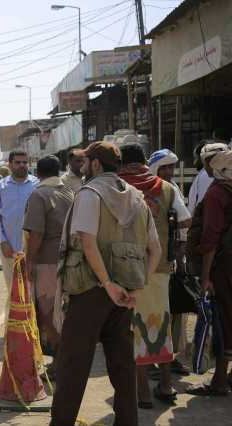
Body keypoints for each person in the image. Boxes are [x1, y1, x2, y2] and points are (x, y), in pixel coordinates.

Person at [51, 141, 161, 426]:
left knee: (72, 365)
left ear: (96, 164)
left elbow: (87, 242)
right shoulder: (137, 197)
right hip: (124, 295)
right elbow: (156, 250)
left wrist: (108, 284)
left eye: (86, 161)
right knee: (122, 365)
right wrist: (138, 287)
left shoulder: (91, 193)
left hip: (91, 291)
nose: (83, 166)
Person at [118, 144, 191, 408]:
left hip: (123, 270)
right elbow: (184, 220)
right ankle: (165, 384)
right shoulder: (166, 188)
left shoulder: (115, 186)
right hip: (158, 267)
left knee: (131, 329)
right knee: (159, 324)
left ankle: (142, 393)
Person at [23, 155, 74, 375]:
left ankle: (58, 364)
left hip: (46, 262)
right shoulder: (69, 193)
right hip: (69, 260)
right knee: (60, 314)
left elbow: (36, 233)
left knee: (46, 315)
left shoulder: (39, 194)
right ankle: (61, 361)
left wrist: (29, 261)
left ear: (38, 173)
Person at [187, 150, 232, 397]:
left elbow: (211, 238)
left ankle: (219, 380)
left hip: (222, 267)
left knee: (224, 321)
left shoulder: (217, 194)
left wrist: (205, 276)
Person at [148, 148, 193, 377]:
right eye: (165, 167)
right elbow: (186, 221)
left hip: (169, 258)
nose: (170, 171)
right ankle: (154, 360)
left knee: (173, 310)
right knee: (160, 311)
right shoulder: (160, 188)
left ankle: (167, 358)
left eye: (171, 167)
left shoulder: (168, 188)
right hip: (162, 260)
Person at [0, 150, 38, 297]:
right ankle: (13, 321)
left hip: (33, 250)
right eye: (17, 162)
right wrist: (3, 242)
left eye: (25, 162)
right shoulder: (0, 187)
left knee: (32, 293)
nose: (22, 165)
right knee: (14, 294)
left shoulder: (37, 184)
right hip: (9, 250)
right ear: (10, 164)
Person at [188, 143, 228, 214]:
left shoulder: (204, 176)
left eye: (197, 158)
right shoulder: (222, 176)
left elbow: (196, 206)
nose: (195, 163)